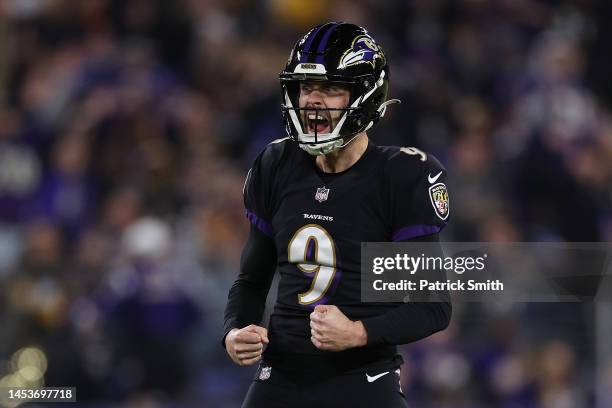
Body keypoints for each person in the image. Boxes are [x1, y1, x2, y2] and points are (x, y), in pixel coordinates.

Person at [223, 22, 451, 408]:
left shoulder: (398, 176)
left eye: (331, 88)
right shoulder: (277, 164)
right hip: (280, 375)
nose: (313, 100)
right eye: (307, 87)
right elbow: (251, 279)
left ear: (364, 96)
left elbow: (432, 306)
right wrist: (234, 331)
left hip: (361, 378)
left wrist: (359, 331)